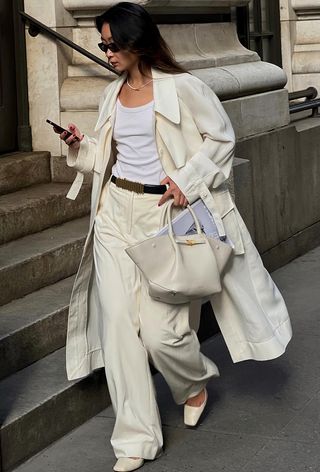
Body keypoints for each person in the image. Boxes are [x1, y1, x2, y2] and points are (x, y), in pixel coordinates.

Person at [57, 3, 292, 471]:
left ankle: (195, 381)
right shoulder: (111, 95)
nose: (106, 53)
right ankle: (135, 440)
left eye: (111, 44)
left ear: (136, 42)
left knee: (163, 332)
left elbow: (221, 139)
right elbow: (102, 159)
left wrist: (188, 180)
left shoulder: (184, 88)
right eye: (102, 45)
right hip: (113, 215)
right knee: (121, 327)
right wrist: (78, 146)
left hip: (163, 217)